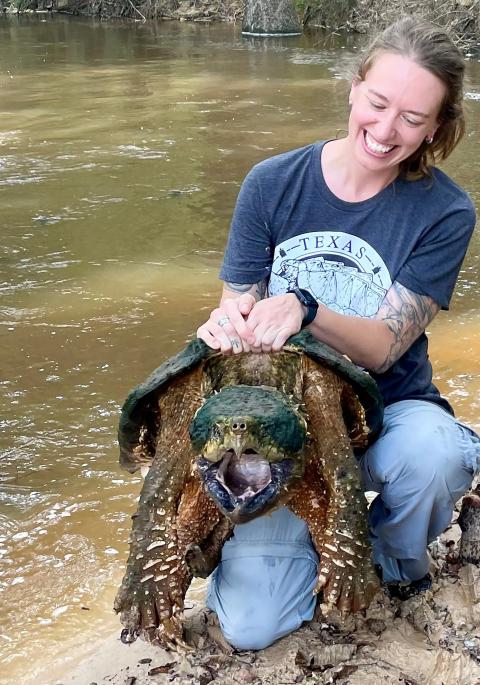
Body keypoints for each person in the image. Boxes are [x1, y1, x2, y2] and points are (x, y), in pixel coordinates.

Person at [197, 16, 480, 651]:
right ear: (353, 89)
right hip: (284, 426)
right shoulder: (271, 184)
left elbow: (384, 344)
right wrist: (227, 324)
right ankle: (257, 554)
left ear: (436, 126)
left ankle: (388, 559)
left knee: (435, 458)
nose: (386, 130)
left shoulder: (446, 210)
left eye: (413, 118)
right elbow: (236, 312)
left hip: (390, 410)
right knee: (252, 628)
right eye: (378, 104)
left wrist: (303, 305)